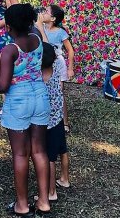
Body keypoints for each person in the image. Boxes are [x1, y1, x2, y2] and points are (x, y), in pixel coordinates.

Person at [0, 3, 51, 216]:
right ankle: (44, 202)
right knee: (39, 150)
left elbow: (3, 85)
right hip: (40, 96)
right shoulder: (37, 39)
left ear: (8, 27)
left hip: (19, 101)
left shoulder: (10, 50)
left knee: (20, 153)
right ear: (29, 22)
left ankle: (22, 204)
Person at [36, 5, 75, 134]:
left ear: (52, 18)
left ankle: (64, 122)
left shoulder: (60, 32)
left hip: (57, 64)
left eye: (46, 12)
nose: (42, 13)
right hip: (44, 63)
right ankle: (46, 118)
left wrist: (70, 68)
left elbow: (70, 51)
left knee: (58, 93)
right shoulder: (39, 28)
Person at [40, 42, 70, 200]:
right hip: (58, 119)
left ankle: (51, 192)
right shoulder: (56, 70)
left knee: (49, 158)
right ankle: (65, 179)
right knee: (62, 150)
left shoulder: (39, 79)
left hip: (47, 124)